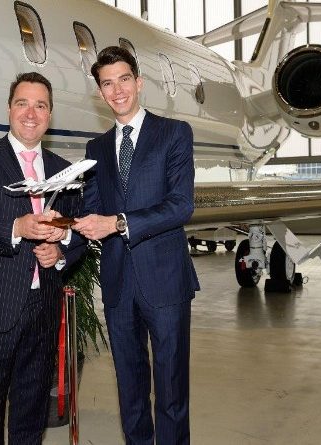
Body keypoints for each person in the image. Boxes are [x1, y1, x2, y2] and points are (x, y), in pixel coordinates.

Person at [71, 46, 200, 445]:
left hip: (165, 282)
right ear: (100, 92)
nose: (117, 90)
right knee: (129, 390)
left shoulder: (174, 134)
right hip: (118, 286)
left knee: (171, 390)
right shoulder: (95, 150)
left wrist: (120, 222)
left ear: (139, 83)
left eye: (124, 79)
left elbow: (181, 206)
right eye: (107, 83)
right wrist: (59, 229)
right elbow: (91, 214)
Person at [0, 72, 84, 445]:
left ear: (50, 115)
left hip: (42, 310)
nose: (31, 113)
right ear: (9, 109)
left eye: (40, 105)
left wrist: (61, 250)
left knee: (30, 415)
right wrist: (16, 228)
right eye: (23, 103)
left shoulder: (63, 171)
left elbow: (79, 236)